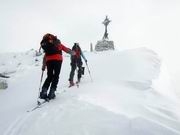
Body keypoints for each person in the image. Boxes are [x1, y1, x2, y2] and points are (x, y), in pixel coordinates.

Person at [40, 33, 74, 100]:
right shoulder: (59, 44)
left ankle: (44, 92)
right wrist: (74, 53)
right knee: (56, 76)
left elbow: (45, 57)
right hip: (58, 60)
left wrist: (44, 66)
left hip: (48, 60)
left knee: (49, 76)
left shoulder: (49, 47)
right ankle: (52, 93)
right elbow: (67, 50)